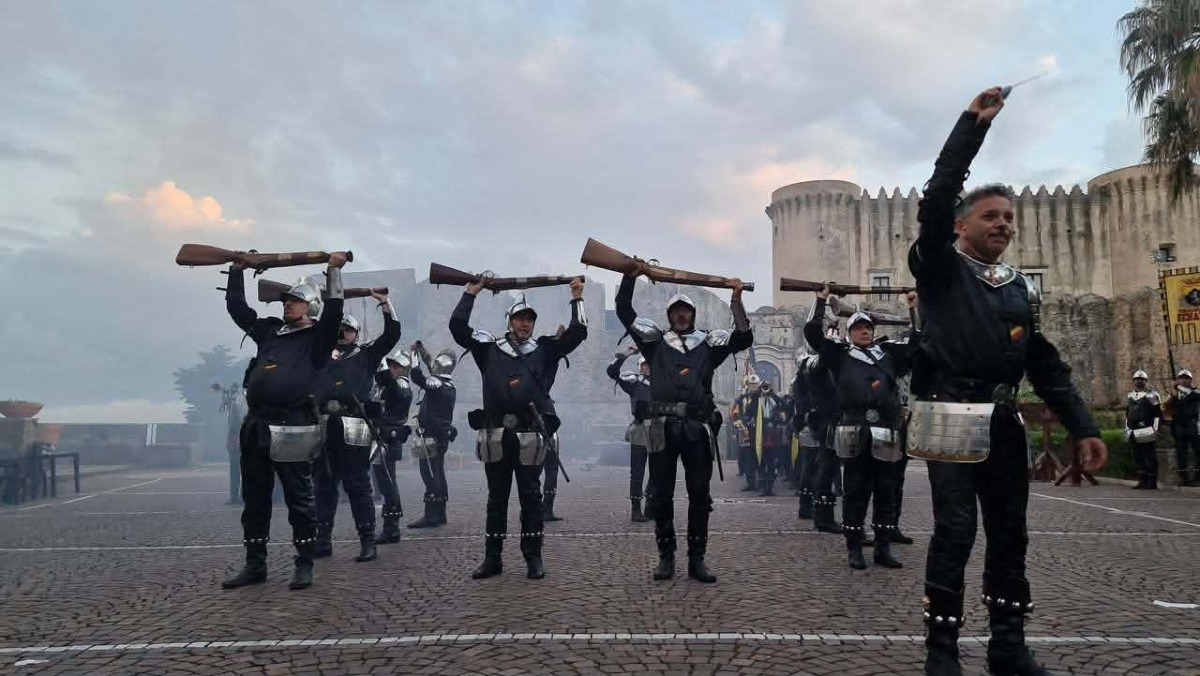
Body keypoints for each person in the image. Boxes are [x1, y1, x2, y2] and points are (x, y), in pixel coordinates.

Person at [909, 87, 1107, 676]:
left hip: (1001, 419)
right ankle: (941, 653)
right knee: (955, 531)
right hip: (948, 414)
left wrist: (1082, 425)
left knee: (1009, 533)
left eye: (1009, 218)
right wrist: (972, 126)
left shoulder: (1017, 287)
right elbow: (936, 197)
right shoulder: (940, 268)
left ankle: (1008, 647)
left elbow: (1042, 360)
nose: (1003, 224)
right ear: (960, 225)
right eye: (990, 216)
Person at [220, 253, 348, 591]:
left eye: (295, 300)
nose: (288, 305)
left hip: (293, 425)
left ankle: (304, 564)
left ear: (310, 306)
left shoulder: (319, 338)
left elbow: (334, 311)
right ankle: (255, 565)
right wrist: (236, 270)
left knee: (299, 500)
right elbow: (238, 309)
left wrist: (333, 271)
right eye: (286, 300)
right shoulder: (270, 331)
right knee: (254, 498)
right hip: (256, 425)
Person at [616, 272, 752, 583]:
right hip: (662, 428)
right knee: (660, 495)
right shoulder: (654, 344)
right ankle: (666, 557)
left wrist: (736, 300)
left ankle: (696, 559)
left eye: (686, 311)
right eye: (676, 311)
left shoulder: (709, 345)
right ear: (669, 315)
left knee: (700, 496)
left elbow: (743, 338)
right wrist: (629, 275)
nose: (681, 315)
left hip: (696, 428)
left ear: (693, 314)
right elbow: (624, 310)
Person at [451, 281, 588, 580]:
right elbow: (458, 328)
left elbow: (578, 334)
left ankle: (533, 557)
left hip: (529, 434)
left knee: (531, 498)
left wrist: (577, 298)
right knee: (496, 499)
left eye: (529, 319)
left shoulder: (544, 349)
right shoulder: (488, 349)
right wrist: (470, 293)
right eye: (520, 318)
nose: (525, 324)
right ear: (510, 321)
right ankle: (492, 558)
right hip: (496, 433)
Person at [805, 292, 913, 570]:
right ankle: (854, 548)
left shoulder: (889, 355)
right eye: (858, 328)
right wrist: (820, 301)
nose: (864, 331)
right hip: (854, 429)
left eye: (868, 328)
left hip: (886, 429)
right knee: (855, 491)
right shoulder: (840, 356)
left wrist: (914, 309)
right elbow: (813, 335)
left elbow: (919, 343)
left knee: (886, 491)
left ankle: (883, 548)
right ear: (850, 332)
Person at [313, 295, 400, 563]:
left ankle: (367, 541)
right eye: (339, 330)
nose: (343, 334)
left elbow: (391, 335)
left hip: (354, 423)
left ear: (356, 333)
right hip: (324, 423)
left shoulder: (366, 355)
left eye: (348, 330)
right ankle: (322, 540)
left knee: (358, 485)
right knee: (324, 485)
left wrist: (385, 304)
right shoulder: (320, 354)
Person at [408, 342, 459, 528]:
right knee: (437, 471)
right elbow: (431, 364)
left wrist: (413, 355)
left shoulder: (437, 384)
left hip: (431, 434)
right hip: (440, 434)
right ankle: (440, 512)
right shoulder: (448, 384)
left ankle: (432, 515)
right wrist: (422, 351)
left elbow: (417, 376)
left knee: (429, 473)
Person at [369, 351, 414, 543]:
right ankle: (390, 527)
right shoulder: (388, 386)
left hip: (389, 439)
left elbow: (390, 384)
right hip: (381, 437)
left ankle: (392, 528)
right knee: (385, 483)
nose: (392, 369)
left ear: (404, 369)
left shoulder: (401, 385)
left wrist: (378, 360)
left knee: (388, 483)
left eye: (396, 366)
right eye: (391, 365)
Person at [607, 345, 655, 522]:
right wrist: (625, 354)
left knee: (658, 471)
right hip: (640, 429)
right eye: (645, 364)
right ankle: (636, 509)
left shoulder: (663, 382)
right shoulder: (634, 382)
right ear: (640, 366)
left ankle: (651, 504)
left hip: (659, 429)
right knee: (637, 472)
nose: (648, 367)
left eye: (650, 364)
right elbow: (612, 372)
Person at [1125, 370, 1162, 490]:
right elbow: (1127, 413)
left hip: (1146, 428)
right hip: (1133, 429)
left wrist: (1155, 429)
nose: (1138, 381)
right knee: (1138, 456)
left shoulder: (1152, 395)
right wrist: (1127, 428)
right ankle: (1142, 480)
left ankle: (1151, 482)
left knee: (1149, 455)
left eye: (1141, 379)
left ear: (1145, 381)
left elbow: (1157, 414)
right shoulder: (1130, 395)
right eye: (1136, 379)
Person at [1166, 369, 1200, 486]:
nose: (1184, 380)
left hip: (1193, 424)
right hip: (1179, 425)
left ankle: (1198, 478)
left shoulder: (1196, 391)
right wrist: (1173, 394)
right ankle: (1184, 478)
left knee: (1198, 450)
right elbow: (1165, 407)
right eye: (1181, 378)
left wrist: (1179, 387)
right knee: (1181, 452)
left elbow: (1194, 395)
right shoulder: (1176, 394)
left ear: (1190, 380)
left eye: (1186, 378)